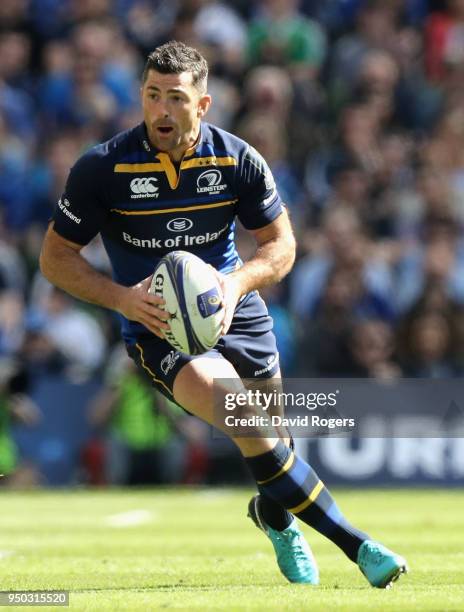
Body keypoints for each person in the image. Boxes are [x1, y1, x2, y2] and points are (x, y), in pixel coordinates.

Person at [39, 40, 407, 588]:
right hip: (156, 325)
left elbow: (281, 246)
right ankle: (360, 548)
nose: (162, 110)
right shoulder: (103, 168)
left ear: (203, 104)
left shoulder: (236, 158)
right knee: (243, 416)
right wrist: (121, 298)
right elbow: (54, 258)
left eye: (176, 98)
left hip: (237, 310)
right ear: (141, 95)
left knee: (271, 444)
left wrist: (234, 287)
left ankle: (274, 519)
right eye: (152, 95)